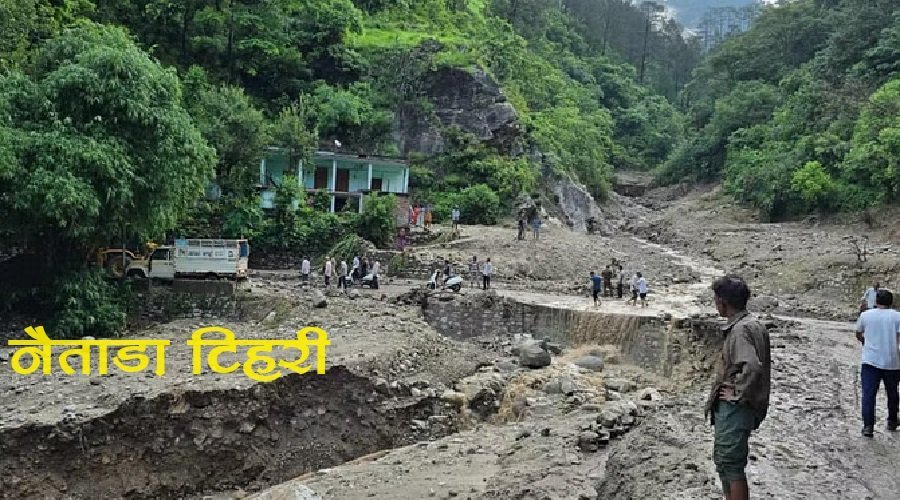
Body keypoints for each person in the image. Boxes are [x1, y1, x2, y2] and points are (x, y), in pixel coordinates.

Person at [704, 275, 771, 500]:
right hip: (744, 407)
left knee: (731, 465)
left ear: (723, 302)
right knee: (728, 462)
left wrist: (737, 391)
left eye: (716, 299)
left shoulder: (740, 330)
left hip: (736, 408)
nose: (715, 303)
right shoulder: (752, 324)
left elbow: (752, 366)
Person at [855, 288, 900, 437]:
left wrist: (865, 342)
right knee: (892, 393)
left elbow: (858, 333)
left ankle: (868, 426)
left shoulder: (866, 315)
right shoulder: (897, 317)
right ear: (891, 302)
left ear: (876, 301)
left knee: (868, 394)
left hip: (870, 360)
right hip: (892, 361)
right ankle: (892, 420)